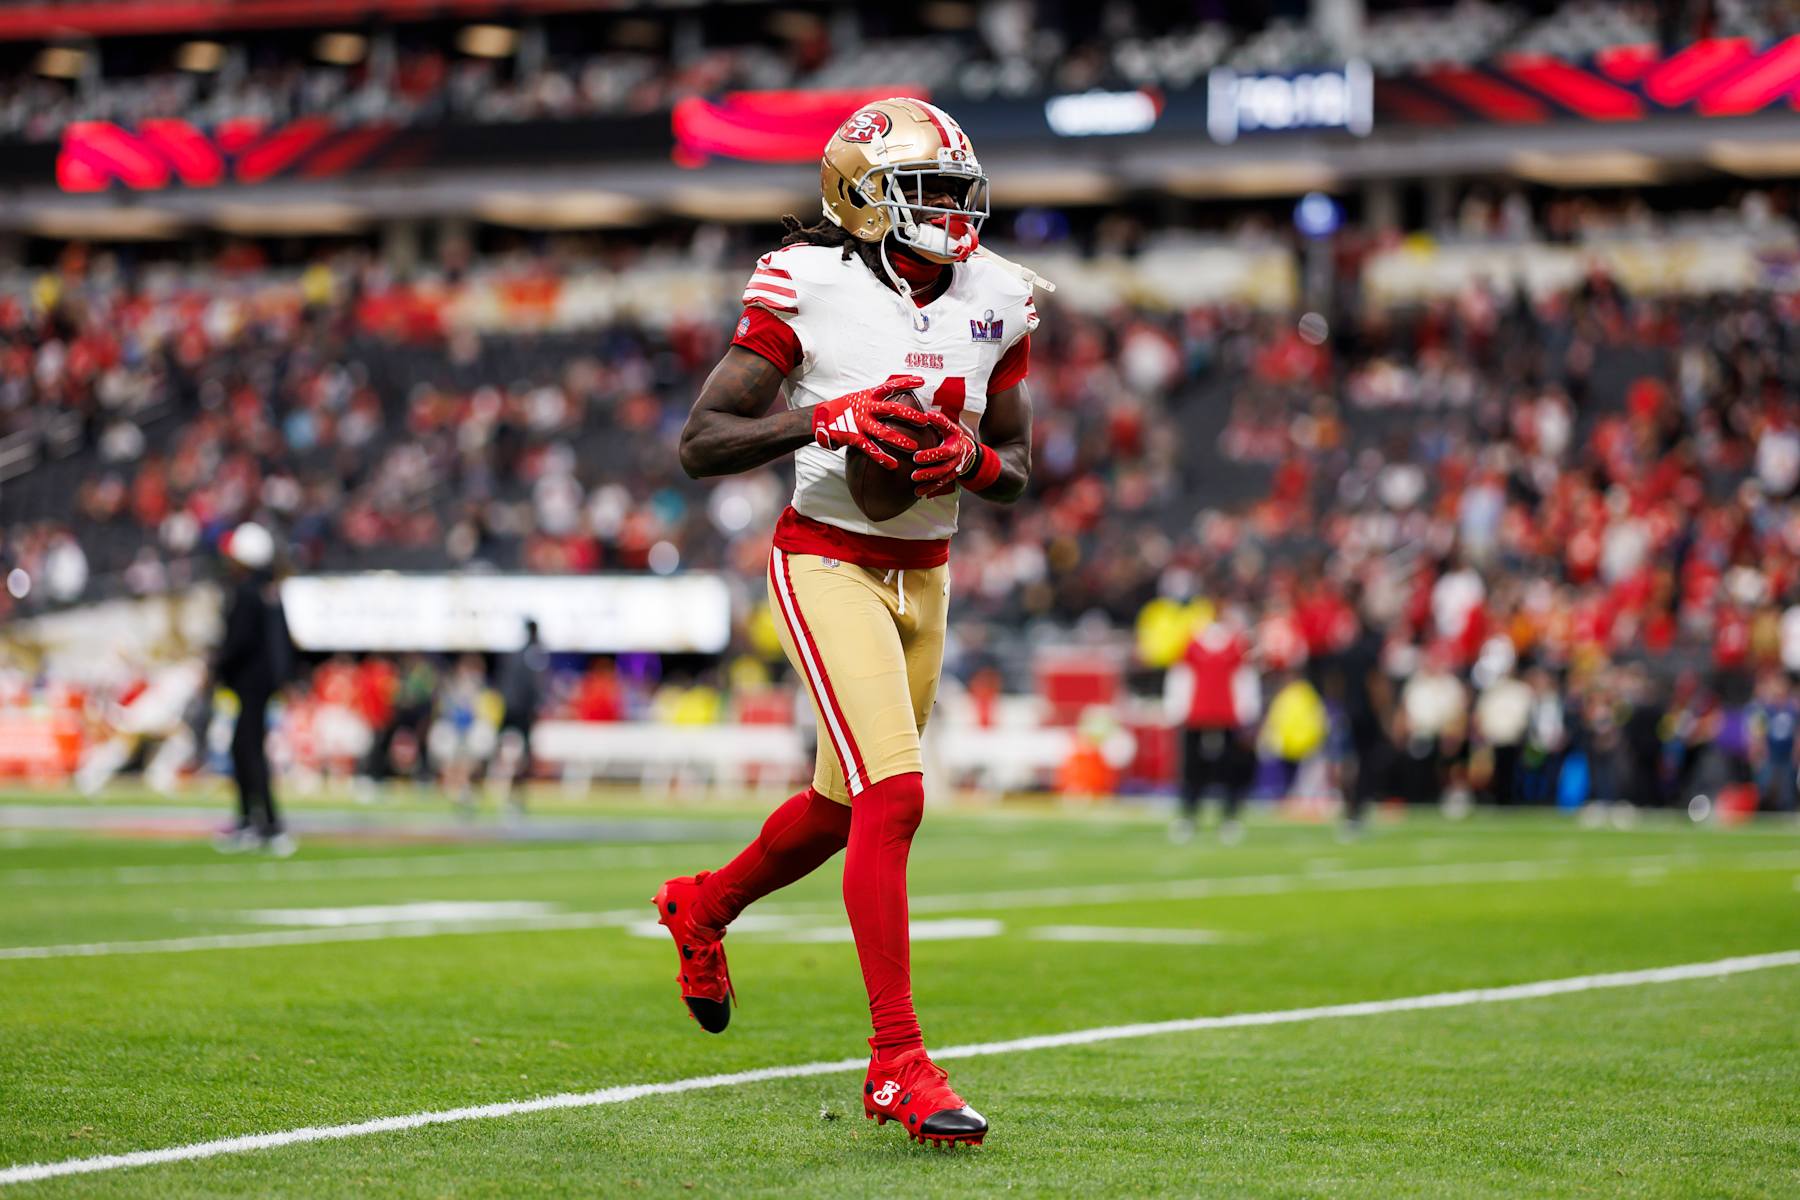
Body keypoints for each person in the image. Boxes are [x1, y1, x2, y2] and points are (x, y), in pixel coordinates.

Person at [654, 97, 1045, 1148]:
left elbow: (1019, 470)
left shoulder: (1001, 297)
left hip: (929, 569)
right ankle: (896, 1064)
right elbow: (701, 443)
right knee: (898, 795)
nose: (951, 216)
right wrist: (821, 416)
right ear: (861, 196)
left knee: (842, 809)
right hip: (826, 558)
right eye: (927, 193)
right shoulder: (806, 283)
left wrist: (975, 462)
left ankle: (704, 907)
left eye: (960, 195)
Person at [210, 522, 294, 855]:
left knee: (247, 752)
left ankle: (263, 823)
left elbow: (237, 642)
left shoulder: (246, 593)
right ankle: (257, 821)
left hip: (249, 684)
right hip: (263, 684)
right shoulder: (270, 591)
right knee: (248, 750)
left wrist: (217, 668)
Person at [1163, 608, 1256, 844]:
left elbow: (1244, 679)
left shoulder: (1235, 645)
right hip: (1197, 715)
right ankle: (1190, 815)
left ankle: (1229, 816)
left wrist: (1247, 711)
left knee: (1230, 767)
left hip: (1226, 716)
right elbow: (1181, 677)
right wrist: (1176, 709)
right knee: (1192, 767)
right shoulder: (1193, 645)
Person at [494, 619, 547, 811]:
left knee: (498, 751)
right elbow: (533, 686)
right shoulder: (533, 655)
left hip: (509, 707)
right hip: (521, 710)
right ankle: (515, 797)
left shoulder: (516, 655)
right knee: (523, 756)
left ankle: (481, 791)